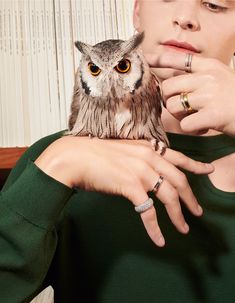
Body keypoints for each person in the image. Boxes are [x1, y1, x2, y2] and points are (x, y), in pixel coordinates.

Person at [1, 0, 235, 302]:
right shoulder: (55, 158)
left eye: (214, 4)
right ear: (137, 12)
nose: (185, 18)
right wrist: (59, 166)